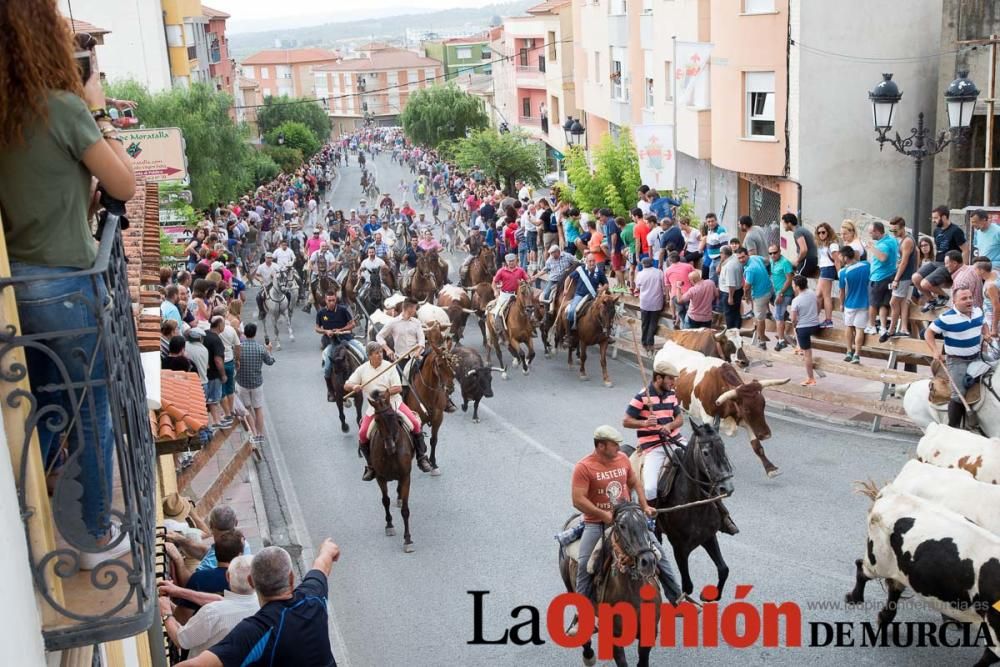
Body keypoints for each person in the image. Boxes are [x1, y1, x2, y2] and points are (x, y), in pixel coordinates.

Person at [0, 1, 138, 568]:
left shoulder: (6, 115)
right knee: (92, 404)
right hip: (67, 283)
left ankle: (43, 497)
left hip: (15, 290)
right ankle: (90, 535)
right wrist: (98, 114)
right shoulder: (61, 110)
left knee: (50, 398)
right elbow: (124, 184)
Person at [176, 540, 341, 667]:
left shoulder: (255, 630)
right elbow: (321, 565)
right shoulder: (312, 596)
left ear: (252, 582)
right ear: (291, 578)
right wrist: (328, 548)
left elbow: (198, 664)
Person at [621, 358, 739, 534]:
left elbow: (679, 419)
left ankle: (723, 515)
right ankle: (651, 522)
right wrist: (645, 423)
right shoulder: (642, 397)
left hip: (676, 440)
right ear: (659, 378)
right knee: (650, 487)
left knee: (704, 470)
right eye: (670, 379)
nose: (673, 382)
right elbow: (626, 421)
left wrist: (669, 426)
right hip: (653, 447)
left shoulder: (671, 394)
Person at [571, 425, 681, 606]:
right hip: (597, 523)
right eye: (614, 445)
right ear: (601, 446)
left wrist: (644, 506)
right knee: (585, 565)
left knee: (659, 555)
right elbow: (578, 500)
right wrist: (603, 514)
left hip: (628, 520)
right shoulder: (583, 467)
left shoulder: (622, 458)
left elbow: (634, 482)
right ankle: (582, 615)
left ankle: (676, 598)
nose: (618, 448)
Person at [344, 341, 431, 479]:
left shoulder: (390, 366)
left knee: (415, 424)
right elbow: (347, 385)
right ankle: (371, 466)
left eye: (381, 352)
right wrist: (354, 387)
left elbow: (398, 388)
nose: (380, 355)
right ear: (369, 355)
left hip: (394, 404)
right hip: (375, 409)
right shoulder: (362, 369)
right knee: (362, 434)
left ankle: (421, 458)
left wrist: (383, 393)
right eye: (377, 353)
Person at [159, 555, 259, 659]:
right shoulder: (263, 606)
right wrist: (178, 591)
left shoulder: (212, 612)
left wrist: (166, 612)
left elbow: (181, 640)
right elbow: (222, 601)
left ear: (227, 576)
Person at [925, 286, 989, 428]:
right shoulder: (946, 318)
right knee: (958, 395)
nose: (969, 301)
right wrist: (935, 351)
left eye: (970, 297)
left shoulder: (978, 311)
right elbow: (928, 333)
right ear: (955, 301)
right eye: (964, 298)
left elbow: (983, 323)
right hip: (957, 361)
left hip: (977, 357)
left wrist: (987, 333)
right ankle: (952, 428)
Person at [913, 206, 967, 311]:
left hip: (949, 264)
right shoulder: (936, 231)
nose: (933, 221)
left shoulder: (956, 231)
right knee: (915, 278)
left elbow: (965, 250)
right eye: (932, 218)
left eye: (936, 218)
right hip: (937, 262)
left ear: (944, 217)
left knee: (925, 283)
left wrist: (962, 270)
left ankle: (944, 296)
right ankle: (931, 299)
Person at [375, 298, 426, 402]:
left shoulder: (417, 322)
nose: (415, 311)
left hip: (416, 357)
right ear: (408, 308)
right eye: (414, 309)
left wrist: (418, 351)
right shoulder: (393, 322)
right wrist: (388, 350)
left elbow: (422, 341)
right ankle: (400, 404)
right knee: (398, 386)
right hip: (400, 359)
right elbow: (379, 336)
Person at [235, 323, 274, 443]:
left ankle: (254, 432)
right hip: (256, 383)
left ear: (244, 334)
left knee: (247, 408)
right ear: (255, 333)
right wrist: (269, 351)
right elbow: (270, 362)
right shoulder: (260, 348)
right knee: (258, 408)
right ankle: (260, 434)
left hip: (242, 382)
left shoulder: (239, 348)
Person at [315, 291, 356, 399]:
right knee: (328, 367)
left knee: (364, 354)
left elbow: (352, 324)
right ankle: (330, 391)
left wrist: (341, 329)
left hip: (347, 339)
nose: (332, 303)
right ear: (325, 300)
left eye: (333, 300)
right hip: (332, 342)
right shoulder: (321, 313)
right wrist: (326, 331)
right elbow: (317, 328)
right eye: (329, 300)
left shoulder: (343, 310)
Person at [864, 221, 899, 341]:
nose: (870, 235)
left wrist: (871, 248)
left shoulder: (882, 245)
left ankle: (872, 326)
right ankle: (883, 327)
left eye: (871, 232)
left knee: (873, 304)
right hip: (889, 276)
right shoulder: (892, 240)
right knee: (884, 304)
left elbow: (883, 257)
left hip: (878, 277)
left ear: (877, 232)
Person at [837, 246, 870, 364]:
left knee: (849, 327)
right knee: (860, 329)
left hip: (850, 303)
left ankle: (849, 351)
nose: (839, 258)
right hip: (864, 302)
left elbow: (842, 291)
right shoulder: (867, 265)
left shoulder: (842, 272)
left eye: (840, 256)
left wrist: (841, 304)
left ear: (845, 258)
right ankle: (857, 354)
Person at [888, 216, 916, 339]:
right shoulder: (903, 239)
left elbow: (904, 262)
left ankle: (891, 329)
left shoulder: (907, 241)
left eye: (896, 230)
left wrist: (896, 279)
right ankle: (904, 329)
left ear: (903, 228)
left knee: (893, 302)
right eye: (892, 230)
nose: (894, 233)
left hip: (904, 276)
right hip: (906, 275)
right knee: (903, 304)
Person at [789, 275, 821, 386]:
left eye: (793, 285)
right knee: (797, 328)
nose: (792, 286)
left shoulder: (796, 300)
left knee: (808, 354)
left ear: (797, 287)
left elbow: (793, 319)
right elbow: (818, 306)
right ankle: (799, 347)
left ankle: (811, 378)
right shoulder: (812, 293)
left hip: (804, 329)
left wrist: (795, 323)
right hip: (815, 325)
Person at [566, 253, 608, 330]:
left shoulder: (599, 272)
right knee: (572, 311)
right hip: (580, 295)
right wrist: (565, 290)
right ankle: (568, 333)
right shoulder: (580, 270)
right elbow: (569, 278)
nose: (592, 263)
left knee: (605, 311)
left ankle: (604, 333)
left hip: (593, 296)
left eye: (593, 261)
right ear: (586, 261)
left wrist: (602, 289)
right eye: (590, 261)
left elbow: (606, 284)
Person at [740, 247, 772, 349]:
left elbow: (747, 286)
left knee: (760, 319)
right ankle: (766, 314)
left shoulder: (750, 270)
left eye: (743, 257)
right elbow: (767, 260)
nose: (741, 260)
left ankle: (762, 340)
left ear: (747, 255)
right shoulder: (755, 258)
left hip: (760, 296)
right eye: (739, 258)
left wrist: (746, 296)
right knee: (758, 314)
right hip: (769, 288)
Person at [204, 316, 230, 428]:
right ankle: (216, 421)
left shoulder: (205, 334)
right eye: (223, 324)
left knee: (211, 398)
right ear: (219, 325)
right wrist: (223, 375)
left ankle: (217, 419)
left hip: (205, 371)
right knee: (214, 399)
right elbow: (218, 360)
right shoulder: (216, 340)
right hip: (214, 373)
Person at [635, 257, 664, 352]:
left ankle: (644, 342)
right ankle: (650, 342)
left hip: (645, 302)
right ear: (652, 263)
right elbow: (663, 286)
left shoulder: (640, 274)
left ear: (643, 264)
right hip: (656, 302)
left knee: (644, 323)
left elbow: (637, 288)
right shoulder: (659, 272)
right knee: (653, 323)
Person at [768, 246, 795, 351]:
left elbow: (789, 280)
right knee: (779, 316)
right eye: (770, 253)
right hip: (777, 292)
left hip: (784, 294)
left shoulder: (785, 263)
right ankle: (781, 339)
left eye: (775, 253)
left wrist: (781, 294)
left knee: (778, 317)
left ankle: (781, 341)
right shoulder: (772, 261)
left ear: (779, 252)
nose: (772, 255)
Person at [491, 253, 530, 323]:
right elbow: (494, 282)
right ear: (506, 262)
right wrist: (495, 291)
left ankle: (531, 327)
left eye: (513, 260)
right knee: (498, 312)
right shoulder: (501, 271)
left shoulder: (520, 270)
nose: (511, 262)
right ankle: (499, 329)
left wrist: (526, 282)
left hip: (518, 295)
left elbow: (527, 280)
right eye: (509, 261)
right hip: (505, 295)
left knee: (529, 307)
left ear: (516, 261)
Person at [814, 222, 839, 328]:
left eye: (823, 232)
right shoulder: (822, 244)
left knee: (826, 296)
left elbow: (837, 260)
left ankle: (828, 320)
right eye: (819, 233)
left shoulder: (832, 244)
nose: (821, 234)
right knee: (818, 295)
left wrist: (840, 274)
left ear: (828, 232)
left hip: (829, 269)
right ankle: (814, 318)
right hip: (823, 269)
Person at [782, 213, 818, 277]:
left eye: (784, 223)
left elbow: (804, 250)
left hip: (807, 260)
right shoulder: (800, 230)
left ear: (789, 223)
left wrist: (797, 261)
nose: (783, 226)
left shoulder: (797, 232)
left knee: (798, 280)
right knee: (802, 283)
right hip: (811, 259)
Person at [718, 246, 744, 330]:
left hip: (730, 293)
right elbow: (717, 271)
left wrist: (730, 297)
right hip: (737, 290)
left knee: (729, 314)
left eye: (720, 253)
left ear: (724, 254)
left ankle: (732, 331)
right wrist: (721, 261)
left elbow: (731, 284)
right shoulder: (734, 258)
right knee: (736, 312)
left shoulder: (730, 266)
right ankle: (736, 329)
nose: (719, 255)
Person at [977, 258, 1000, 335]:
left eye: (975, 269)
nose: (974, 271)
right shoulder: (995, 272)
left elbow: (996, 307)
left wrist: (994, 329)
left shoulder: (990, 286)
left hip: (993, 319)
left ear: (982, 270)